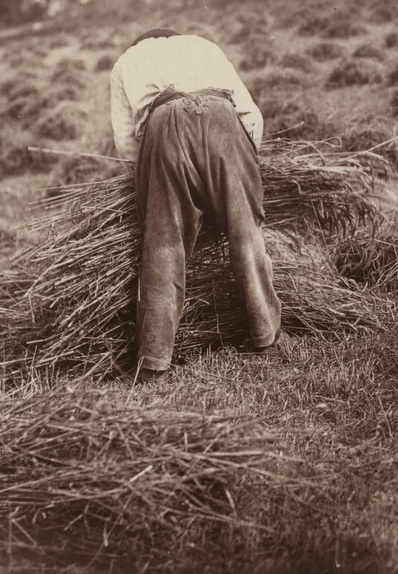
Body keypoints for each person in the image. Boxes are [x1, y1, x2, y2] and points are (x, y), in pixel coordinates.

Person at [109, 28, 282, 381]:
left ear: (140, 44)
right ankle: (266, 337)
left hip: (165, 123)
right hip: (222, 117)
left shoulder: (125, 62)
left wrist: (148, 181)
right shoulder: (204, 45)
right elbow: (251, 115)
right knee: (246, 231)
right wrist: (242, 172)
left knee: (164, 244)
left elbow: (126, 142)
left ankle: (155, 361)